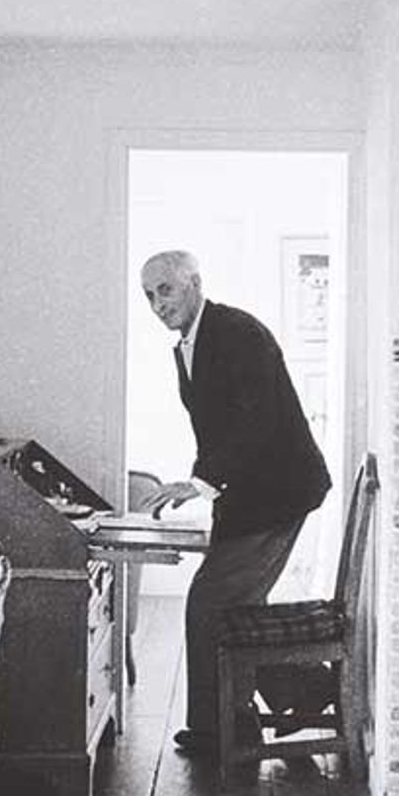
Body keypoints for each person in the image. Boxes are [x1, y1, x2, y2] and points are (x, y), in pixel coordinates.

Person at [140, 249, 331, 754]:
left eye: (166, 290)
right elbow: (219, 430)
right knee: (236, 605)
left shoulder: (238, 332)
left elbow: (256, 421)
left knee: (208, 603)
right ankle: (303, 694)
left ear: (195, 284)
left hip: (281, 491)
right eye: (150, 296)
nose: (158, 304)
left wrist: (201, 482)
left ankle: (220, 729)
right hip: (252, 494)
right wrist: (208, 486)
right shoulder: (189, 343)